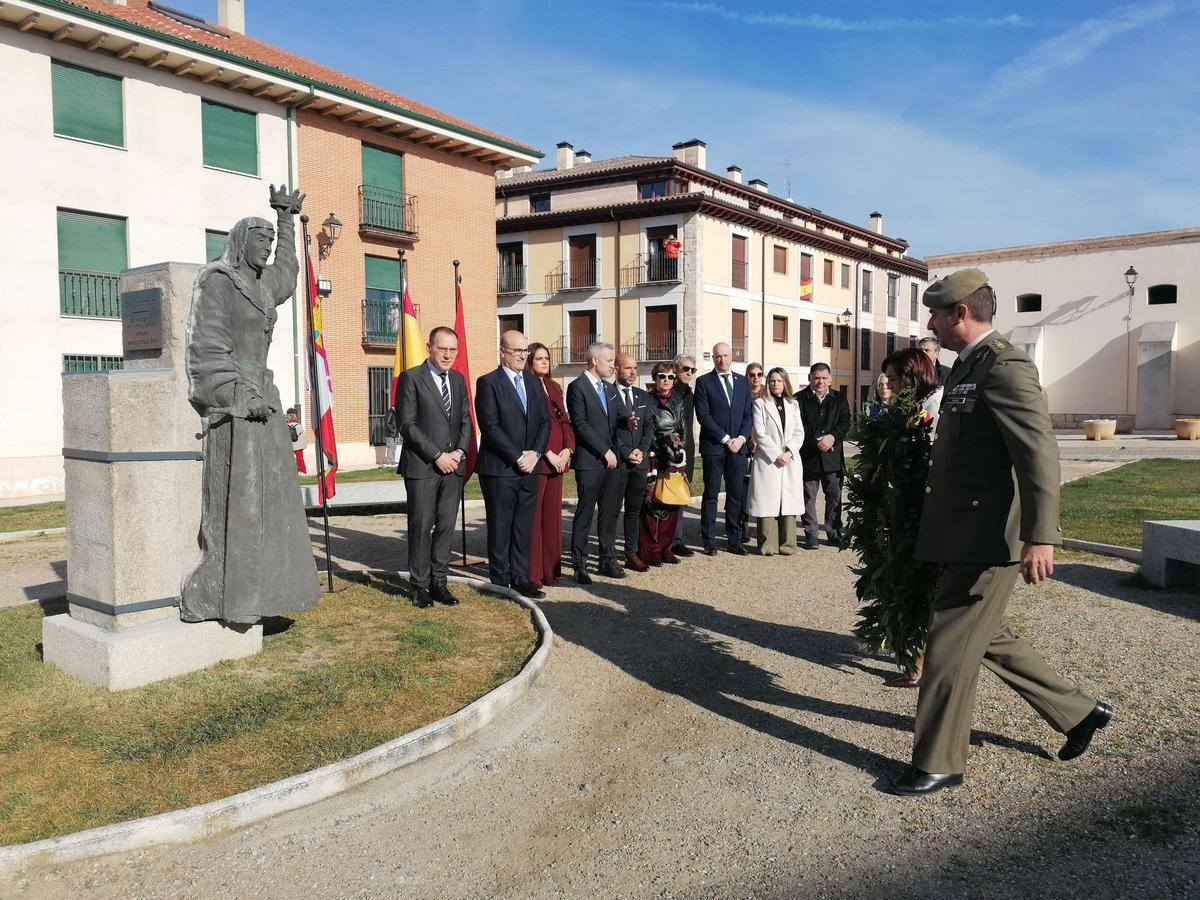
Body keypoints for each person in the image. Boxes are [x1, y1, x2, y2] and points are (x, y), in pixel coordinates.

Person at [888, 268, 1112, 797]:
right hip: (965, 529)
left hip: (991, 536)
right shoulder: (969, 366)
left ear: (960, 313)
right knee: (982, 634)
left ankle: (939, 760)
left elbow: (1037, 452)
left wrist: (1041, 536)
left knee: (948, 641)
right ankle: (1079, 713)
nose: (931, 323)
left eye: (936, 314)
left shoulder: (1004, 366)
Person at [181, 185, 318, 625]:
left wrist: (286, 219)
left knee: (274, 502)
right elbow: (207, 348)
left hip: (265, 400)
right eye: (261, 242)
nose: (268, 249)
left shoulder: (261, 287)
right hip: (237, 405)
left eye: (270, 244)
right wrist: (240, 394)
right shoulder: (218, 282)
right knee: (238, 504)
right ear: (243, 242)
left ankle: (267, 593)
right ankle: (224, 596)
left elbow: (289, 272)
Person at [845, 348, 942, 690]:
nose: (892, 386)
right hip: (903, 509)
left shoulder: (935, 407)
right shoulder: (909, 407)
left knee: (926, 588)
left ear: (914, 376)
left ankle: (922, 662)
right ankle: (920, 657)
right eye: (888, 380)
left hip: (927, 513)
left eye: (897, 379)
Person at [395, 327, 472, 609]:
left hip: (453, 468)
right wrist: (438, 455)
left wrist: (460, 453)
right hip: (423, 467)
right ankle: (420, 586)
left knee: (446, 527)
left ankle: (439, 581)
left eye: (453, 349)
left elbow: (465, 419)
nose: (448, 355)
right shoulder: (412, 378)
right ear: (429, 347)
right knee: (421, 526)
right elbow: (407, 424)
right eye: (443, 349)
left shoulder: (459, 380)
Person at [474, 330, 550, 600]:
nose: (522, 355)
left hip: (531, 469)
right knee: (500, 525)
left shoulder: (532, 383)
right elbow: (490, 427)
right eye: (516, 350)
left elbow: (545, 422)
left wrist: (536, 454)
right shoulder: (488, 383)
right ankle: (499, 579)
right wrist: (519, 457)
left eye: (524, 350)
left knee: (522, 526)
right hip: (500, 469)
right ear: (502, 352)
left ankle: (520, 578)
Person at [566, 341, 623, 583]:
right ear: (594, 360)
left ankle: (607, 559)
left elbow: (613, 419)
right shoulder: (577, 387)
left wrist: (626, 422)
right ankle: (579, 564)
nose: (613, 365)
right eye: (609, 360)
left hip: (612, 463)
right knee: (585, 513)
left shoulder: (609, 389)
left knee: (609, 513)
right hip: (590, 461)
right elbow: (581, 425)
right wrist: (603, 451)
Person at [693, 342, 753, 555]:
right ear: (713, 358)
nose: (722, 360)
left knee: (736, 495)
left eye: (726, 356)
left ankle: (734, 539)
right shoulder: (703, 382)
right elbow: (704, 416)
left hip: (738, 449)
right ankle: (709, 540)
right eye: (718, 356)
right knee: (710, 494)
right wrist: (726, 438)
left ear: (732, 357)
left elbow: (748, 414)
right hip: (714, 448)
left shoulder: (742, 382)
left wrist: (742, 438)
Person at [527, 342, 575, 589]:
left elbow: (564, 420)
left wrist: (568, 449)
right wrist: (548, 454)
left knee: (553, 518)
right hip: (541, 462)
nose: (544, 362)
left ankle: (551, 571)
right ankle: (533, 574)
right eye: (538, 358)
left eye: (546, 358)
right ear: (530, 362)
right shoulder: (527, 386)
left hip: (560, 461)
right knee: (535, 519)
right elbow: (532, 426)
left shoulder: (555, 388)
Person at [746, 368, 805, 555]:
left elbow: (799, 432)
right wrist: (776, 454)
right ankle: (768, 546)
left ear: (785, 382)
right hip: (768, 460)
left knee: (788, 501)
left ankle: (788, 544)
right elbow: (760, 433)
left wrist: (789, 452)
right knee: (767, 502)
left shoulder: (793, 404)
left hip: (789, 459)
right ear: (768, 383)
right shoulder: (760, 404)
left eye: (779, 381)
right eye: (772, 381)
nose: (775, 384)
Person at [795, 363, 851, 550]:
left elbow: (845, 422)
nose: (820, 381)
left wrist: (832, 437)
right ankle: (811, 533)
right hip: (809, 456)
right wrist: (816, 439)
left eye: (824, 378)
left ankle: (834, 532)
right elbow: (799, 425)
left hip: (832, 457)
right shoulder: (799, 398)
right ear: (810, 378)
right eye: (816, 378)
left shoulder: (839, 398)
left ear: (830, 379)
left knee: (834, 496)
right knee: (807, 497)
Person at [639, 362, 688, 565]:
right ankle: (650, 550)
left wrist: (676, 449)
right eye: (661, 376)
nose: (666, 381)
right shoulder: (646, 401)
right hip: (653, 457)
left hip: (673, 459)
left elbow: (683, 430)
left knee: (672, 502)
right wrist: (661, 448)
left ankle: (666, 549)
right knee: (651, 505)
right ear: (654, 379)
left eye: (669, 377)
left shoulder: (677, 401)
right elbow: (645, 430)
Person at [613, 353, 653, 571]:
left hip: (639, 462)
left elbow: (649, 427)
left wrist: (642, 451)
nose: (632, 372)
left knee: (634, 510)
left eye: (635, 368)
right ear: (617, 369)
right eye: (628, 368)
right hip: (619, 462)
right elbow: (608, 430)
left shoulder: (641, 396)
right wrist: (626, 451)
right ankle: (608, 554)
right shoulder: (609, 394)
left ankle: (631, 552)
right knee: (611, 510)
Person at [669, 354, 698, 558]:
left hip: (688, 451)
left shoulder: (690, 394)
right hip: (671, 451)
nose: (689, 373)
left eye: (692, 370)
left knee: (680, 496)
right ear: (676, 369)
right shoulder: (669, 392)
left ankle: (677, 539)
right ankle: (665, 541)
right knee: (666, 496)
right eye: (685, 369)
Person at [286, 407, 307, 473]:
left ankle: (290, 471)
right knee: (300, 459)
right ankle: (303, 471)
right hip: (299, 446)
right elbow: (303, 436)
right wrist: (304, 446)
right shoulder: (299, 426)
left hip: (290, 446)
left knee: (289, 459)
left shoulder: (286, 426)